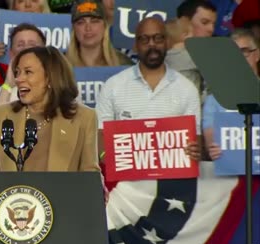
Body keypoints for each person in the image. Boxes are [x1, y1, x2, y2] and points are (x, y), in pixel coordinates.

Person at [0, 46, 100, 172]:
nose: (18, 79)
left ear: (50, 77)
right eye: (17, 72)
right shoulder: (0, 116)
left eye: (28, 72)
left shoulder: (84, 117)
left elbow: (90, 175)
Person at [95, 17, 202, 162]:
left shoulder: (187, 88)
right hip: (125, 180)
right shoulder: (113, 86)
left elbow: (196, 139)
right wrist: (107, 158)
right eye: (145, 39)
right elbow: (101, 135)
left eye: (158, 38)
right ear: (135, 45)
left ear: (167, 42)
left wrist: (195, 150)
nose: (152, 44)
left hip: (171, 178)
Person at [202, 28, 259, 160]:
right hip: (230, 173)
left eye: (244, 52)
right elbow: (210, 138)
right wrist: (212, 148)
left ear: (257, 54)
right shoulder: (214, 99)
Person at [0, 23, 46, 133]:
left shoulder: (61, 90)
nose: (26, 49)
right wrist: (8, 84)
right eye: (20, 45)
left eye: (32, 44)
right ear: (11, 54)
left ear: (45, 52)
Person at [66, 0, 132, 67]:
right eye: (81, 22)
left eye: (94, 21)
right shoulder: (60, 63)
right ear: (74, 29)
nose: (88, 28)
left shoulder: (124, 64)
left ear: (105, 26)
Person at [165, 18, 202, 94]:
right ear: (185, 35)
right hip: (189, 98)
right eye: (193, 34)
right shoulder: (192, 56)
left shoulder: (164, 57)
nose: (195, 36)